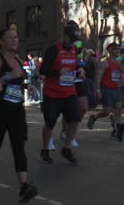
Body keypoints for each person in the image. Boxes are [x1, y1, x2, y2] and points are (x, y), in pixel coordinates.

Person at [0, 28, 37, 203]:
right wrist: (7, 77)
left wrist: (26, 86)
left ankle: (24, 186)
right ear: (1, 41)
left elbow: (17, 81)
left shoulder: (17, 58)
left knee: (19, 146)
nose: (15, 40)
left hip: (17, 110)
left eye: (16, 37)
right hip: (0, 111)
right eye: (10, 37)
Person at [39, 20, 82, 164]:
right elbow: (43, 70)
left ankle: (67, 148)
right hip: (52, 94)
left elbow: (75, 65)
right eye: (70, 40)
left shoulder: (75, 49)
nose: (72, 43)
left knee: (75, 120)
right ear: (64, 35)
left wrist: (80, 70)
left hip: (69, 92)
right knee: (50, 123)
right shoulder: (53, 49)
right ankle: (45, 149)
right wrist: (58, 72)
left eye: (74, 41)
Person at [87, 43, 124, 137]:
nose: (118, 51)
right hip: (106, 89)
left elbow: (122, 75)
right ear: (110, 50)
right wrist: (97, 91)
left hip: (116, 89)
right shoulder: (105, 62)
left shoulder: (119, 63)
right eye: (115, 49)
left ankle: (116, 129)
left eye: (119, 49)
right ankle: (94, 117)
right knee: (106, 112)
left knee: (119, 108)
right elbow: (98, 77)